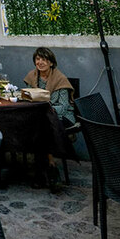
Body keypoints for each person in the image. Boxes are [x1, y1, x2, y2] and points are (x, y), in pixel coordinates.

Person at [24, 46, 75, 192]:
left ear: (51, 63)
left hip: (62, 116)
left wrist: (47, 110)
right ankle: (51, 166)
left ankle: (42, 172)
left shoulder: (60, 79)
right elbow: (27, 98)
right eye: (37, 59)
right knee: (38, 126)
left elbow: (64, 106)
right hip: (40, 118)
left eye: (44, 60)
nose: (40, 62)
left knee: (42, 126)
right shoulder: (32, 77)